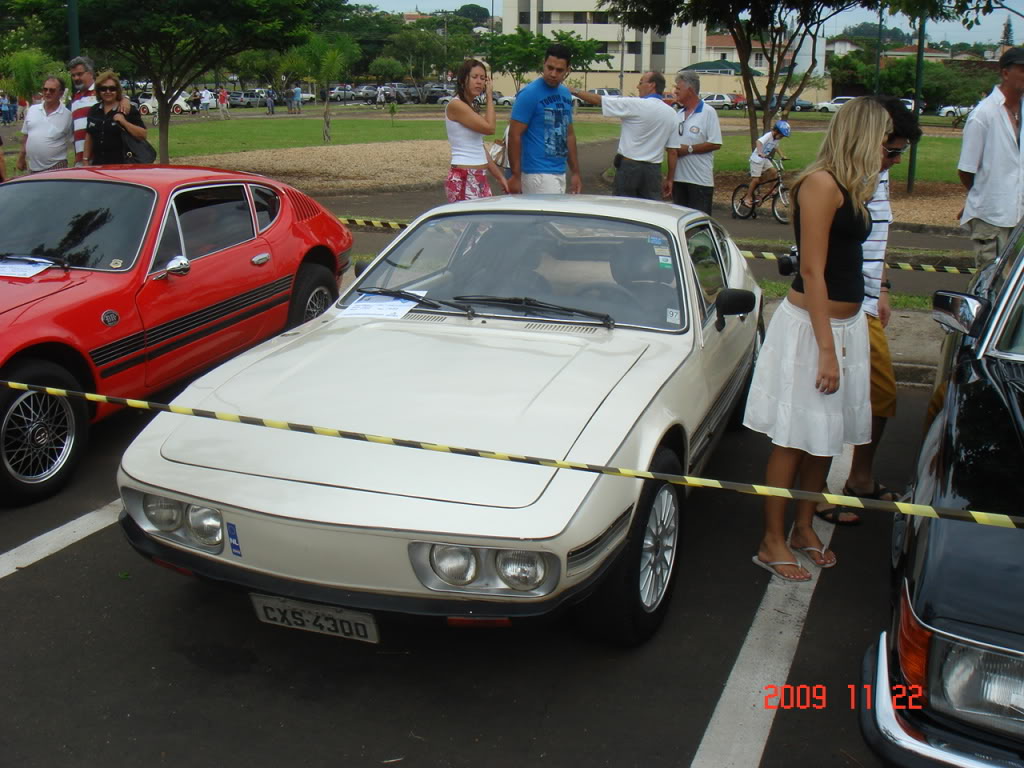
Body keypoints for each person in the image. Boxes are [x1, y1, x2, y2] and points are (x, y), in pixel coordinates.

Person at [743, 97, 892, 582]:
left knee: (824, 437)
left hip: (845, 326)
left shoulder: (855, 186)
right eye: (884, 136)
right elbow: (812, 269)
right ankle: (771, 539)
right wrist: (827, 350)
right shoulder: (820, 184)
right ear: (863, 133)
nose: (889, 147)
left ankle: (804, 527)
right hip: (812, 329)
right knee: (792, 438)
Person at [814, 95, 922, 526]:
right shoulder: (834, 181)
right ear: (870, 138)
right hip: (843, 305)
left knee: (879, 396)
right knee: (826, 400)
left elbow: (877, 237)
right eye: (892, 150)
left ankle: (859, 478)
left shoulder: (877, 175)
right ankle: (815, 491)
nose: (895, 160)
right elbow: (817, 261)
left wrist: (885, 286)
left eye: (900, 152)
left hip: (867, 299)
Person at [957, 46, 1024, 268]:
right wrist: (982, 193)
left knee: (1014, 290)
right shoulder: (983, 114)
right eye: (1022, 69)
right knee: (990, 283)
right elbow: (966, 169)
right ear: (1006, 73)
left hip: (1018, 214)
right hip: (991, 216)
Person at [569, 71, 679, 201]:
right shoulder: (671, 114)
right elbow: (672, 151)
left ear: (651, 85)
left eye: (641, 82)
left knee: (623, 208)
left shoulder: (636, 105)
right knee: (650, 212)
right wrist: (670, 179)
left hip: (629, 168)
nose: (638, 87)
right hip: (653, 171)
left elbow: (599, 100)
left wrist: (573, 90)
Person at [508, 43, 581, 195]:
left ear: (567, 70)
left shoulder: (565, 94)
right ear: (543, 64)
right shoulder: (529, 93)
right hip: (537, 173)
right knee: (546, 219)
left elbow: (569, 135)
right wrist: (515, 175)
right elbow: (514, 134)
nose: (553, 74)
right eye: (550, 68)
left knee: (555, 218)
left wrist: (575, 172)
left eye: (559, 70)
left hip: (559, 170)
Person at [444, 58, 509, 202]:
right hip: (464, 175)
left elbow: (479, 146)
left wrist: (500, 177)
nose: (480, 82)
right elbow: (490, 128)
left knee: (485, 223)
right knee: (466, 224)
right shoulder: (456, 105)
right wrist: (490, 96)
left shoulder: (470, 106)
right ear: (463, 79)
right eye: (474, 77)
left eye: (483, 78)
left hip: (478, 176)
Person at [663, 71, 722, 214]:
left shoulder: (708, 112)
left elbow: (715, 143)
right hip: (679, 179)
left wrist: (689, 149)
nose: (675, 91)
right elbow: (671, 147)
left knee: (699, 225)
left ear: (689, 90)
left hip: (699, 181)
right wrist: (670, 178)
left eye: (678, 88)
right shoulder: (677, 114)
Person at [69, 55, 128, 166]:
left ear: (90, 73)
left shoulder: (102, 92)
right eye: (73, 75)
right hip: (82, 159)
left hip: (101, 159)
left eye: (80, 74)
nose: (76, 78)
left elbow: (119, 97)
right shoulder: (75, 98)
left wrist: (125, 99)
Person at [82, 71, 148, 165]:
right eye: (103, 89)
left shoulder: (127, 109)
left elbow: (143, 134)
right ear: (98, 91)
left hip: (122, 165)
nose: (108, 92)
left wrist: (124, 122)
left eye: (112, 88)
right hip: (98, 165)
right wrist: (85, 159)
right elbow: (89, 136)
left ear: (117, 90)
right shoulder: (94, 110)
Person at [17, 77, 73, 174]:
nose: (47, 92)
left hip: (57, 167)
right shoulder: (32, 110)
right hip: (33, 168)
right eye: (45, 89)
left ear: (61, 93)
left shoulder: (67, 115)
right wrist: (21, 158)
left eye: (52, 90)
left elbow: (74, 141)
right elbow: (26, 136)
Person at [741, 120, 791, 209]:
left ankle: (771, 190)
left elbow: (776, 147)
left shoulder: (776, 138)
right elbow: (758, 142)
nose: (781, 137)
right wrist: (760, 152)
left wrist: (782, 156)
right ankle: (747, 198)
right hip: (757, 159)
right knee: (755, 180)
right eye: (781, 135)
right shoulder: (769, 135)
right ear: (776, 131)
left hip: (764, 159)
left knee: (774, 172)